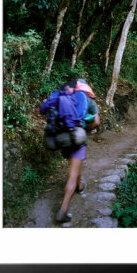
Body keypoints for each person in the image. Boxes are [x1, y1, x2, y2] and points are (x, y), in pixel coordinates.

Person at [40, 79, 100, 223]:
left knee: (75, 165)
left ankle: (79, 185)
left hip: (61, 138)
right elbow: (96, 122)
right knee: (72, 174)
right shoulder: (87, 100)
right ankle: (63, 210)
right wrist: (85, 129)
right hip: (77, 139)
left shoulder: (60, 99)